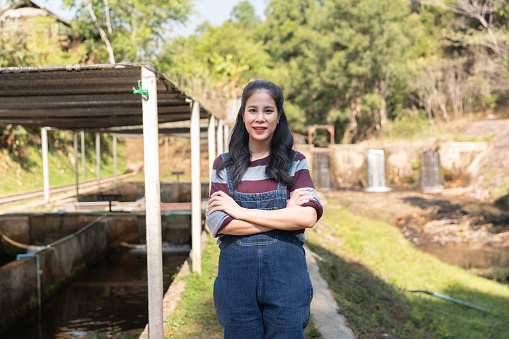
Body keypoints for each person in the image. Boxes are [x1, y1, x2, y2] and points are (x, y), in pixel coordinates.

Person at [206, 80, 323, 339]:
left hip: (287, 282)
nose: (260, 119)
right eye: (253, 110)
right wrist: (285, 215)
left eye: (268, 111)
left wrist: (240, 211)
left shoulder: (296, 163)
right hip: (236, 283)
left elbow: (308, 216)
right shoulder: (223, 165)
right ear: (243, 115)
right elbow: (218, 223)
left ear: (279, 116)